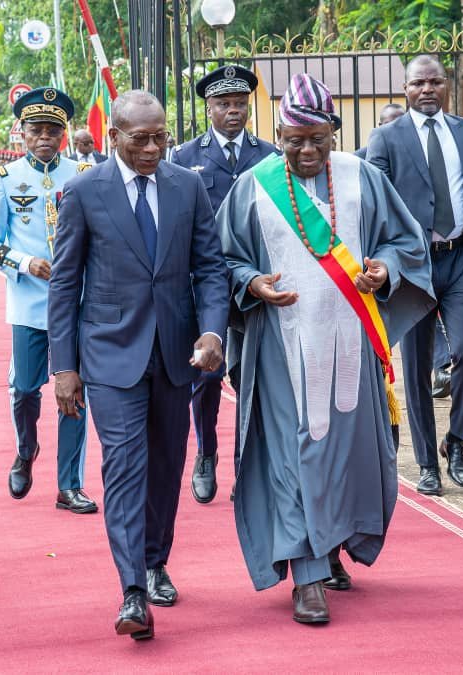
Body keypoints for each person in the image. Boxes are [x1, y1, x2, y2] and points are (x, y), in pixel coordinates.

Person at [220, 72, 433, 624]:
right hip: (281, 347)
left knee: (347, 450)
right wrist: (251, 283)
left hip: (351, 342)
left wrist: (385, 270)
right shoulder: (255, 186)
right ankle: (308, 574)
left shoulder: (363, 178)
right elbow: (221, 259)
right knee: (295, 452)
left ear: (334, 133)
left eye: (317, 138)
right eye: (295, 140)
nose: (307, 150)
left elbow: (404, 244)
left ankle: (333, 542)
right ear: (280, 133)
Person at [49, 90, 228, 640]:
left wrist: (212, 330)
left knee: (167, 464)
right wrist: (64, 367)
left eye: (160, 137)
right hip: (108, 355)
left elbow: (211, 268)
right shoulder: (83, 191)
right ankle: (131, 590)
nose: (153, 148)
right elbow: (65, 281)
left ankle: (154, 561)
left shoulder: (188, 186)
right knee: (125, 467)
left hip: (177, 355)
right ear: (115, 137)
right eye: (140, 138)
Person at [365, 54, 463, 497]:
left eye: (436, 81)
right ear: (406, 89)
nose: (428, 89)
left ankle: (457, 441)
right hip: (413, 265)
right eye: (419, 83)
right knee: (415, 368)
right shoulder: (386, 138)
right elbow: (374, 204)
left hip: (461, 259)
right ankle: (427, 463)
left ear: (447, 85)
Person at [0, 88, 97, 514]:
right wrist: (26, 262)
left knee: (73, 393)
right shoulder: (5, 179)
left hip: (79, 304)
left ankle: (70, 484)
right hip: (30, 304)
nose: (44, 138)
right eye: (36, 131)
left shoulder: (83, 174)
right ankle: (26, 451)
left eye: (52, 131)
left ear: (63, 135)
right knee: (26, 390)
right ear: (22, 134)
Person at [171, 64, 278, 504]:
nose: (233, 112)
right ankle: (207, 454)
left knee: (252, 375)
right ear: (208, 107)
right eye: (223, 104)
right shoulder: (183, 156)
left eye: (239, 104)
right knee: (207, 376)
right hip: (207, 282)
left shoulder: (270, 154)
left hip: (255, 280)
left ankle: (245, 467)